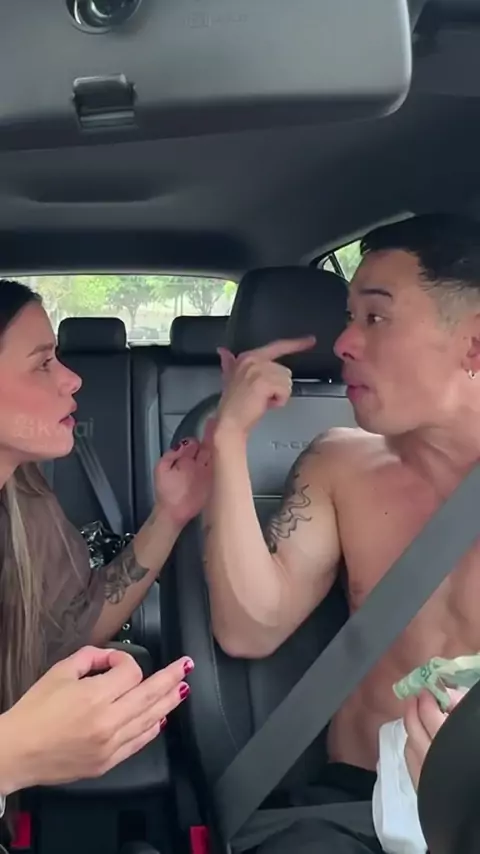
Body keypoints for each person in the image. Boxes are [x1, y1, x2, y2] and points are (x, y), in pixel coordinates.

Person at [203, 212, 480, 851]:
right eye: (349, 318)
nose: (344, 343)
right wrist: (229, 437)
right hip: (351, 808)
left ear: (473, 345)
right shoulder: (340, 462)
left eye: (375, 318)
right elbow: (249, 628)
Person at [0, 280, 211, 812]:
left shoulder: (23, 498)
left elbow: (78, 622)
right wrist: (15, 755)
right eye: (42, 363)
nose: (72, 378)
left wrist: (171, 514)